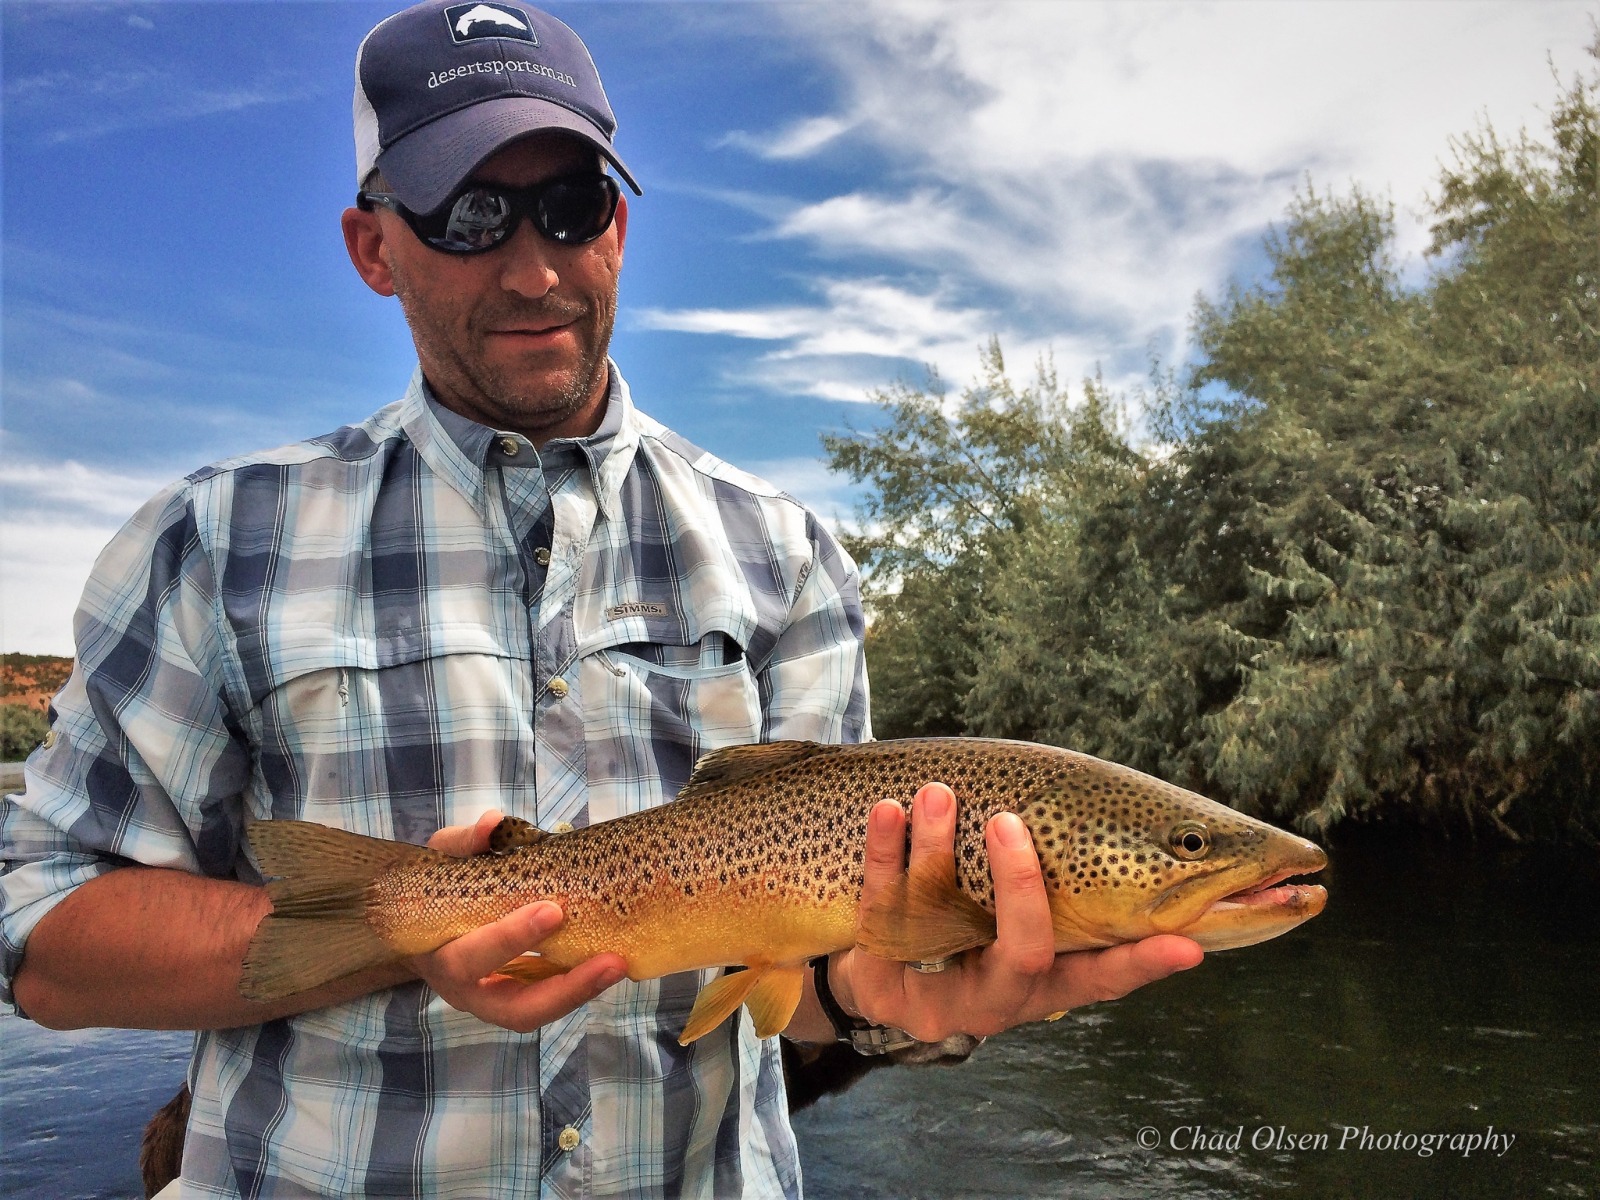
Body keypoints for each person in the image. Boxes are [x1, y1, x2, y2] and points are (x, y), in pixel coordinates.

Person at [0, 2, 1201, 1195]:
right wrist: (413, 937)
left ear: (617, 226)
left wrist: (909, 1002)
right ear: (373, 247)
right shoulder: (213, 542)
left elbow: (821, 990)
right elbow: (46, 941)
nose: (533, 269)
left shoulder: (782, 553)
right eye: (469, 216)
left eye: (569, 209)